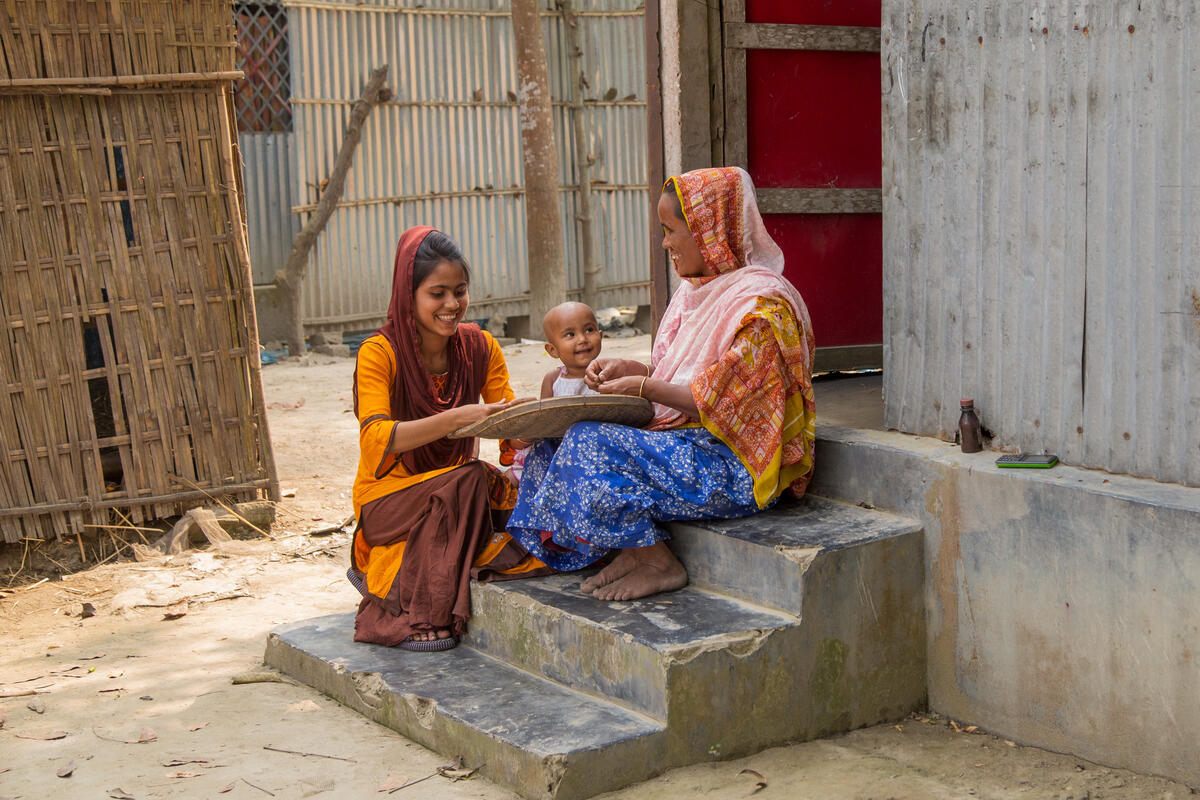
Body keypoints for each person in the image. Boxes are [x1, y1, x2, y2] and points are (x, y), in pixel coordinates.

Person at [506, 166, 816, 601]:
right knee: (547, 446)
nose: (666, 243)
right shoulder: (695, 294)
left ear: (710, 228)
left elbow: (719, 404)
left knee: (587, 443)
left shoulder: (761, 310)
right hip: (687, 446)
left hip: (733, 467)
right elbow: (685, 376)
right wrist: (633, 370)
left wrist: (645, 389)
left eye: (671, 231)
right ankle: (634, 544)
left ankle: (657, 561)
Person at [348, 226, 549, 651]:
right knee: (470, 478)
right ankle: (418, 608)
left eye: (460, 291)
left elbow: (507, 434)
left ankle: (416, 568)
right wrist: (456, 419)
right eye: (437, 293)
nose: (452, 305)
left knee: (540, 513)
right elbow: (376, 440)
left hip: (459, 492)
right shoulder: (378, 352)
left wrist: (537, 417)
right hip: (388, 498)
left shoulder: (481, 346)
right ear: (409, 295)